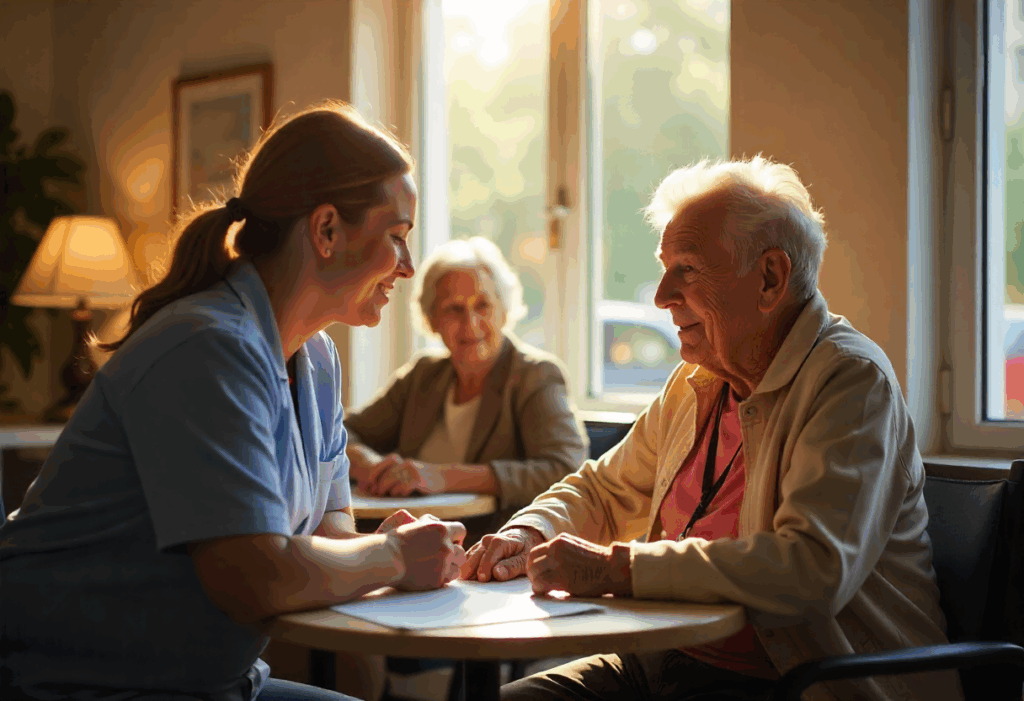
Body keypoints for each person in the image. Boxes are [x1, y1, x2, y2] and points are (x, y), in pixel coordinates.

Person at [0, 103, 467, 701]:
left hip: (211, 683)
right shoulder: (208, 346)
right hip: (77, 685)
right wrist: (392, 558)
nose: (406, 267)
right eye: (397, 237)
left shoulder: (318, 359)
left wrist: (391, 549)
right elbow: (255, 579)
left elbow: (329, 534)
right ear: (326, 230)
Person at [463, 156, 963, 701]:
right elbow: (604, 490)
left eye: (688, 270)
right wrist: (526, 532)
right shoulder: (698, 381)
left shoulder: (850, 382)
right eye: (664, 266)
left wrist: (616, 568)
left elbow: (811, 569)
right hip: (663, 662)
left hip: (795, 682)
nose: (660, 296)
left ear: (770, 278)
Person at [345, 236, 587, 537]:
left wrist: (441, 476)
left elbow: (564, 469)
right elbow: (336, 434)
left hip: (492, 543)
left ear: (504, 310)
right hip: (403, 537)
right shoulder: (423, 375)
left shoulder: (535, 375)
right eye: (454, 309)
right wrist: (370, 465)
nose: (470, 324)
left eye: (482, 305)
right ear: (432, 320)